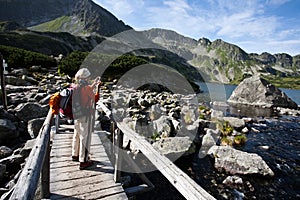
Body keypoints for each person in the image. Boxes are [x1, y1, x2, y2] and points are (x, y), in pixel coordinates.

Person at [71, 68, 101, 170]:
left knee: (77, 134)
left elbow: (85, 91)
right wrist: (98, 88)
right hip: (85, 115)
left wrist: (93, 85)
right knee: (85, 137)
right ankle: (83, 160)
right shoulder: (87, 88)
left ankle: (75, 155)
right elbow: (95, 98)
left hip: (77, 114)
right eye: (89, 77)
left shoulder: (75, 86)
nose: (89, 78)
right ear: (86, 77)